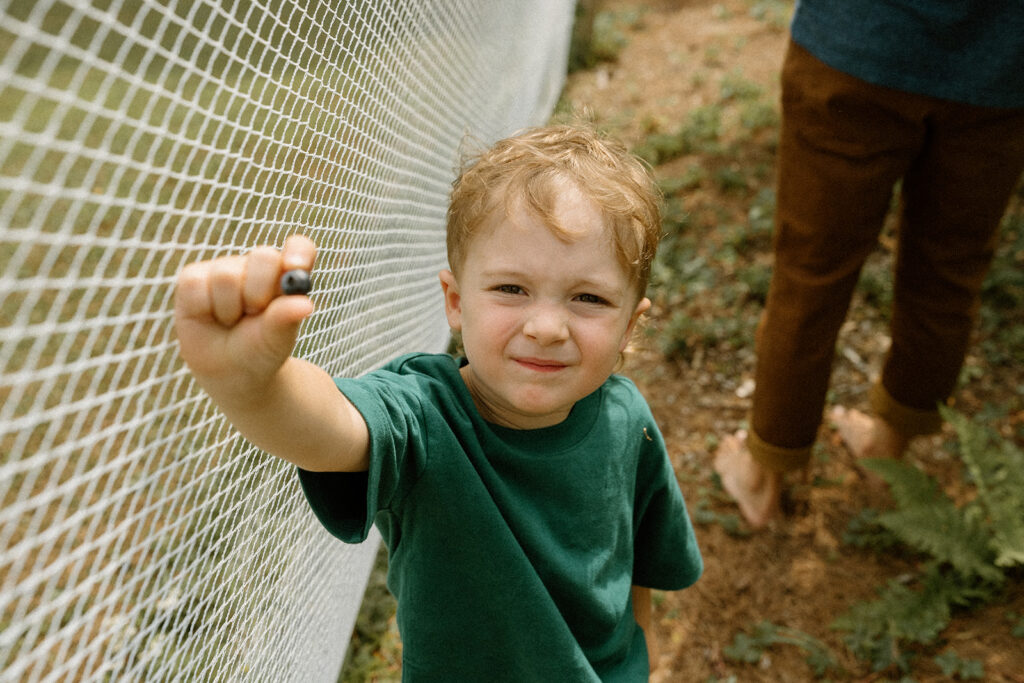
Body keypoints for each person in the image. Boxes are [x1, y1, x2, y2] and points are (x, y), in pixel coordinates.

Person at [174, 126, 703, 680]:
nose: (546, 327)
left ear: (629, 326)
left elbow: (636, 568)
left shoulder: (628, 419)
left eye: (588, 298)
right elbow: (328, 425)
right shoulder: (423, 416)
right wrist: (254, 386)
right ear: (455, 301)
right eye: (510, 289)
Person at [714, 1, 1024, 528]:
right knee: (948, 273)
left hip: (854, 49)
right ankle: (890, 452)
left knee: (811, 273)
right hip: (999, 71)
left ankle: (766, 477)